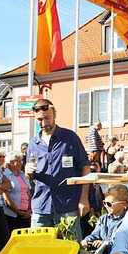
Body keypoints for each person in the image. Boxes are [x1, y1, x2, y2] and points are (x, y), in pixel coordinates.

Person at [25, 99, 91, 240]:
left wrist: (84, 198)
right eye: (39, 120)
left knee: (72, 251)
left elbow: (85, 167)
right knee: (39, 251)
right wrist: (28, 172)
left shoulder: (70, 138)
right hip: (41, 206)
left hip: (67, 206)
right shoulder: (33, 143)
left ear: (55, 114)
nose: (44, 123)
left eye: (47, 118)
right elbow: (30, 177)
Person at [81, 184, 128, 252]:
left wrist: (105, 243)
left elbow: (121, 242)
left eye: (109, 204)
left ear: (123, 204)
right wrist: (87, 240)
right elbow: (95, 234)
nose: (106, 206)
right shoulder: (104, 219)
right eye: (105, 203)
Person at [3, 151, 32, 231]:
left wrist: (29, 208)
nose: (20, 163)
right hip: (12, 214)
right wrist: (18, 212)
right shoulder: (5, 176)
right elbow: (6, 198)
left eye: (21, 161)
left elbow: (28, 193)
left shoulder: (22, 175)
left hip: (26, 213)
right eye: (17, 161)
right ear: (11, 163)